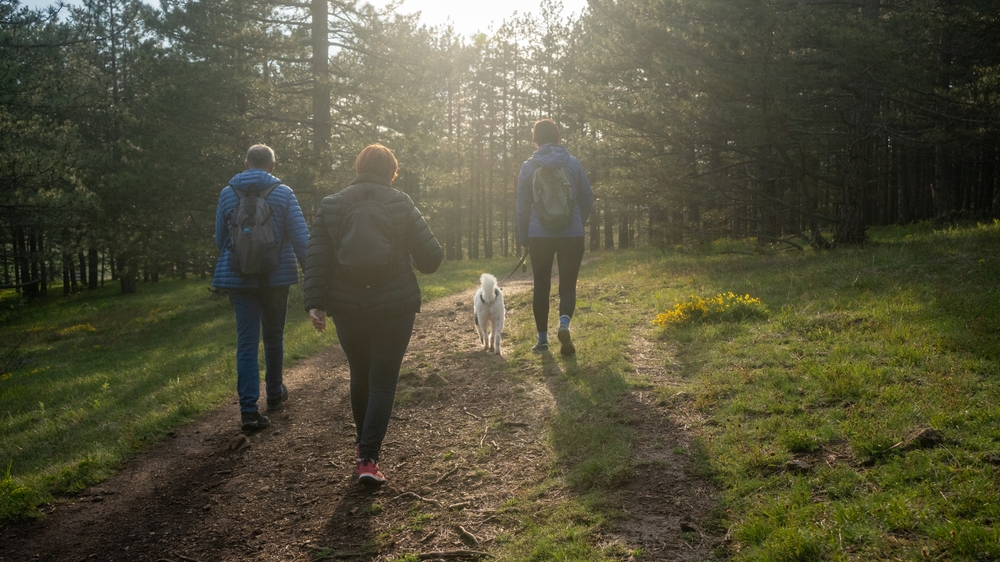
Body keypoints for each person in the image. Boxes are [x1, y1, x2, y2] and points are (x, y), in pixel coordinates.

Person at [303, 144, 443, 486]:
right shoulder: (401, 202)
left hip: (347, 306)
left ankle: (362, 448)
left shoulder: (331, 204)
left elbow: (317, 258)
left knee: (360, 374)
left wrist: (315, 303)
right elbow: (431, 260)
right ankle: (368, 459)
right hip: (394, 306)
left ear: (358, 168)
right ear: (391, 171)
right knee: (383, 379)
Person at [212, 144, 310, 431]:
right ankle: (275, 394)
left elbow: (220, 239)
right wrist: (315, 277)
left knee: (246, 344)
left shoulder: (228, 193)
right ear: (272, 165)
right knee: (273, 338)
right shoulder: (284, 193)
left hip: (240, 279)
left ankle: (248, 411)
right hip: (276, 278)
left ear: (246, 164)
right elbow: (301, 239)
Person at [516, 118, 595, 356]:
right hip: (572, 234)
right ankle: (564, 324)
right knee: (568, 286)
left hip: (539, 235)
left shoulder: (528, 166)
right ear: (558, 137)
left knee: (541, 286)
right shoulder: (573, 163)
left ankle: (542, 341)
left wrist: (524, 238)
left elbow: (522, 207)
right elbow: (588, 197)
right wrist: (578, 221)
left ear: (535, 139)